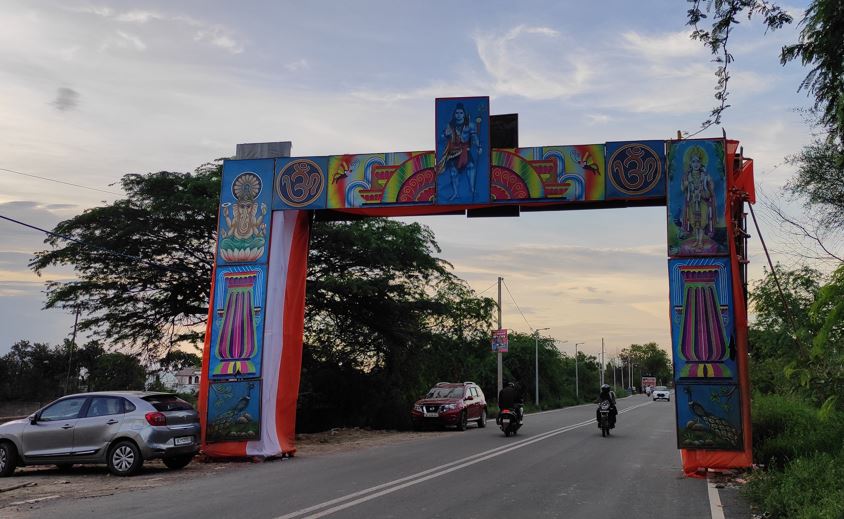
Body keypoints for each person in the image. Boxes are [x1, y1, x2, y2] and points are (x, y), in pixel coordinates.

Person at [437, 102, 481, 201]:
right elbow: (441, 138)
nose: (459, 115)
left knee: (471, 166)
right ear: (454, 114)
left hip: (465, 150)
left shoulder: (470, 125)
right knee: (453, 172)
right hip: (454, 152)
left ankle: (472, 189)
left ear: (464, 114)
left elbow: (474, 137)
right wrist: (445, 134)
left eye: (461, 113)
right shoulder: (450, 125)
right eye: (457, 113)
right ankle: (456, 193)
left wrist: (479, 146)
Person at [681, 146, 716, 252]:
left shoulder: (704, 175)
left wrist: (707, 181)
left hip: (702, 202)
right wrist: (687, 184)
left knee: (701, 223)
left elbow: (711, 188)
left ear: (701, 163)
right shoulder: (687, 176)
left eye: (698, 161)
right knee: (694, 223)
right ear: (690, 164)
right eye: (693, 161)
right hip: (692, 202)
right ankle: (697, 240)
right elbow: (682, 189)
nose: (696, 164)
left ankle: (700, 241)